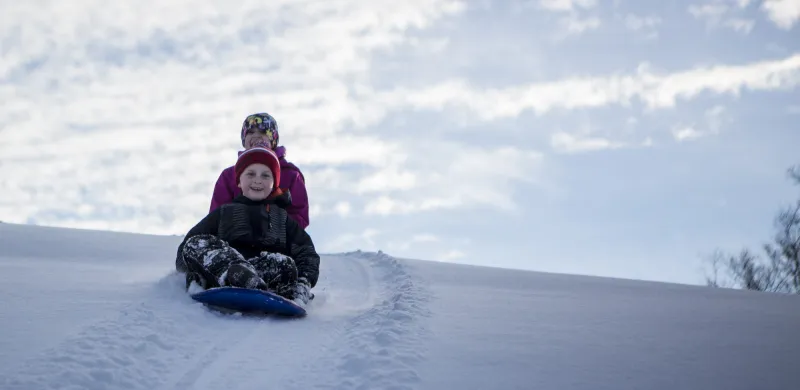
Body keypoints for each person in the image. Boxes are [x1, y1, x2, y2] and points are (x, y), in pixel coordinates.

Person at [175, 146, 319, 304]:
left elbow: (306, 252)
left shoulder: (281, 218)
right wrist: (193, 271)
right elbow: (188, 245)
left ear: (274, 184)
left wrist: (303, 282)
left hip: (265, 273)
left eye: (265, 175)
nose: (258, 180)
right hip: (225, 268)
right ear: (239, 181)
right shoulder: (224, 212)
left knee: (286, 265)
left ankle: (252, 281)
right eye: (250, 174)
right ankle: (234, 277)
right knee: (195, 243)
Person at [209, 112, 310, 229]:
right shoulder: (229, 176)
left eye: (263, 132)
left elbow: (300, 215)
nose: (256, 136)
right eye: (251, 132)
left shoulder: (290, 175)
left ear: (273, 140)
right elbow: (216, 215)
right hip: (237, 239)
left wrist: (274, 226)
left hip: (278, 242)